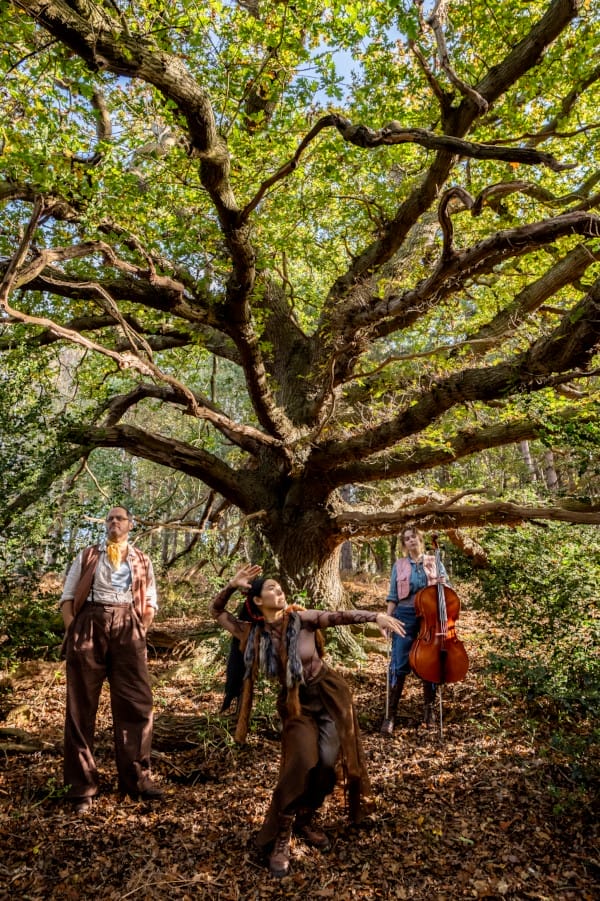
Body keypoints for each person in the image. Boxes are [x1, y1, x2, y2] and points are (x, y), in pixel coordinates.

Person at [210, 563, 405, 878]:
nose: (279, 591)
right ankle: (282, 832)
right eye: (271, 588)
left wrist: (375, 616)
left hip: (328, 696)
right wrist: (232, 585)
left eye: (279, 586)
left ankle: (306, 817)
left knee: (328, 763)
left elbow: (338, 616)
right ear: (257, 600)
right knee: (301, 761)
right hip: (295, 704)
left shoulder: (302, 619)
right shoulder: (250, 632)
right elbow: (216, 611)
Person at [59, 505, 163, 814]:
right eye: (109, 519)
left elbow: (150, 601)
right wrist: (74, 631)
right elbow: (67, 597)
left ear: (131, 524)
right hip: (89, 623)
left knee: (137, 703)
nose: (114, 522)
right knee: (80, 706)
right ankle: (81, 789)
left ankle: (136, 780)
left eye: (119, 518)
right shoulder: (88, 555)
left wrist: (139, 629)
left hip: (128, 626)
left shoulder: (142, 559)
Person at [379, 526, 450, 735]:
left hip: (429, 618)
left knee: (429, 662)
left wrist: (442, 585)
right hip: (405, 615)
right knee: (398, 662)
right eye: (407, 539)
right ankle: (390, 716)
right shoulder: (399, 565)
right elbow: (393, 596)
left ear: (420, 540)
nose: (411, 541)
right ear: (404, 544)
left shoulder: (434, 561)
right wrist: (387, 619)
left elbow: (447, 589)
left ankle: (429, 712)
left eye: (414, 537)